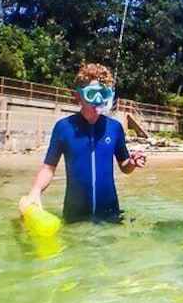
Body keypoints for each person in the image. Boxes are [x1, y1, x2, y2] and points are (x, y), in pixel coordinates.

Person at [19, 63, 146, 223]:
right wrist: (35, 191)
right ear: (78, 96)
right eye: (92, 94)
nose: (98, 100)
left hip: (110, 215)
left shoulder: (114, 128)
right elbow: (48, 167)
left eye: (103, 93)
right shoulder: (64, 127)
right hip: (75, 216)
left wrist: (132, 162)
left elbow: (124, 165)